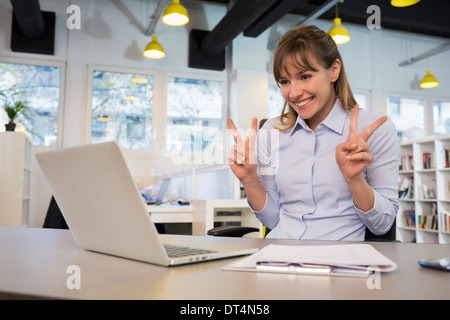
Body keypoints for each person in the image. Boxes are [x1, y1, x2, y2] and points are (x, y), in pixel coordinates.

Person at [227, 25, 400, 240]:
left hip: (341, 262)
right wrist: (250, 179)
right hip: (280, 258)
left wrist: (355, 180)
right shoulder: (271, 132)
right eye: (284, 81)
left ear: (334, 70)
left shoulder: (374, 129)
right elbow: (273, 221)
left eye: (305, 76)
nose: (294, 92)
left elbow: (383, 225)